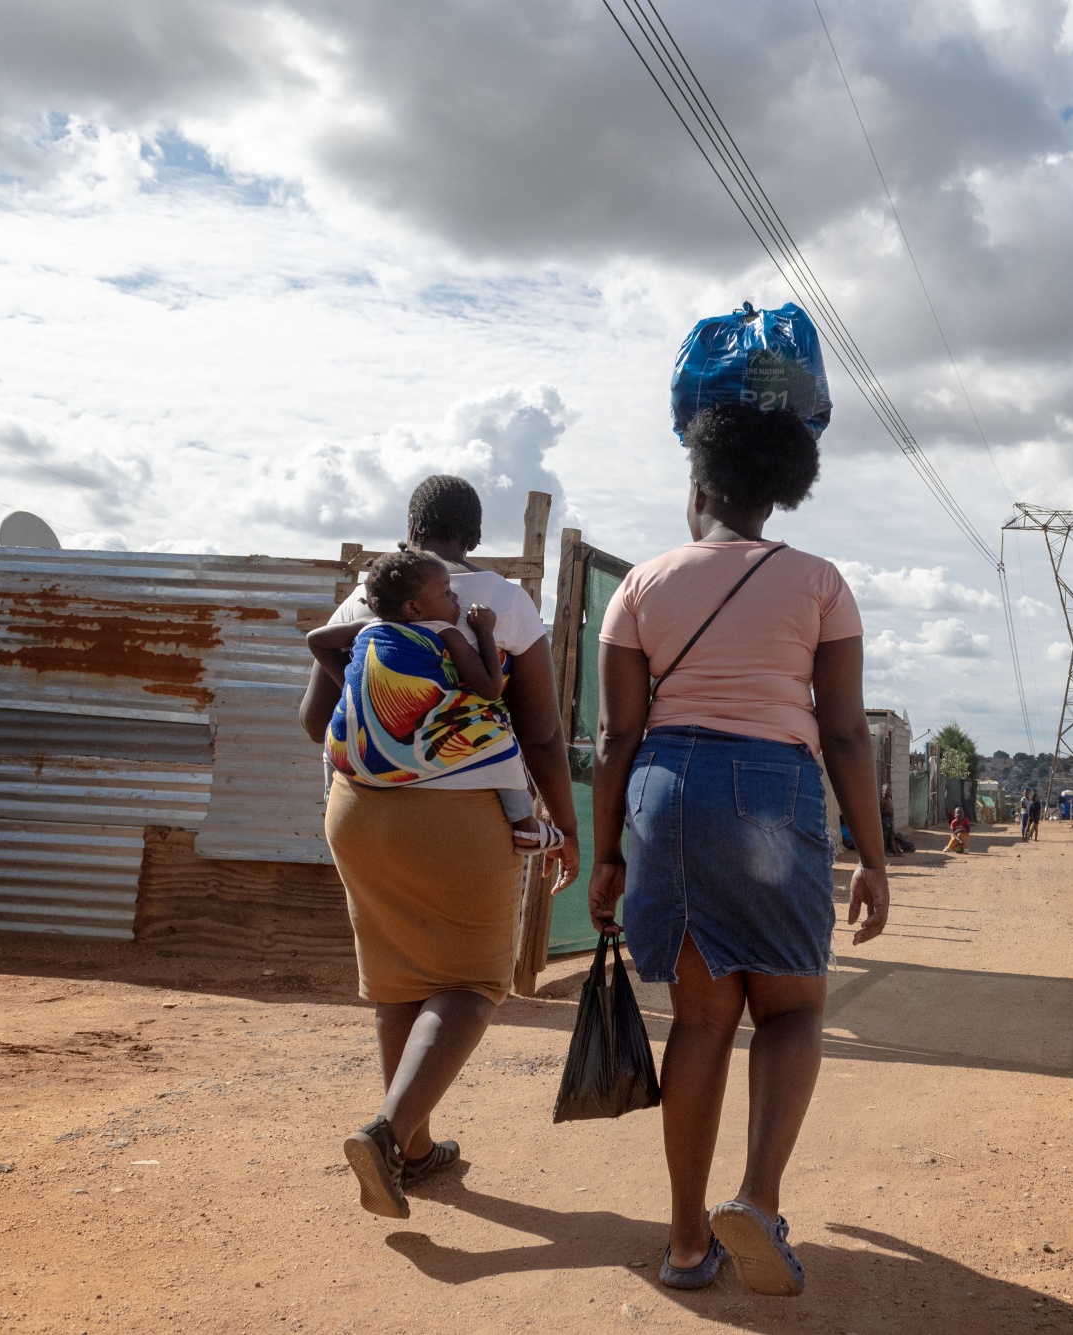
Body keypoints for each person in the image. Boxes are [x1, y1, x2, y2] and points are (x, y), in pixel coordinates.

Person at [588, 402, 889, 1297]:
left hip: (666, 795)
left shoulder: (639, 586)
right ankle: (757, 1197)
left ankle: (685, 1245)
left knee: (702, 1017)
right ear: (780, 496)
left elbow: (613, 737)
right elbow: (844, 734)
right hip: (772, 792)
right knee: (791, 1008)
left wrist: (607, 853)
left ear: (700, 487)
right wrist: (870, 856)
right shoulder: (821, 583)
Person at [297, 475, 581, 1220]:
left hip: (356, 812)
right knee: (473, 980)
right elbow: (543, 729)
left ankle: (415, 1152)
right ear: (474, 537)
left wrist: (389, 739)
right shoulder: (502, 603)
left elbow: (310, 717)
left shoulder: (368, 601)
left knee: (398, 979)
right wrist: (566, 823)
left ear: (410, 528)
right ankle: (389, 1134)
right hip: (462, 815)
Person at [306, 547, 556, 851]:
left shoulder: (366, 628)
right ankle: (525, 825)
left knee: (340, 732)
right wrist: (485, 631)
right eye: (447, 593)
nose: (456, 600)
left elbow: (315, 640)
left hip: (348, 759)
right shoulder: (446, 633)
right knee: (498, 738)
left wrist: (349, 683)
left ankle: (332, 799)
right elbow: (490, 688)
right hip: (402, 759)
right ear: (414, 608)